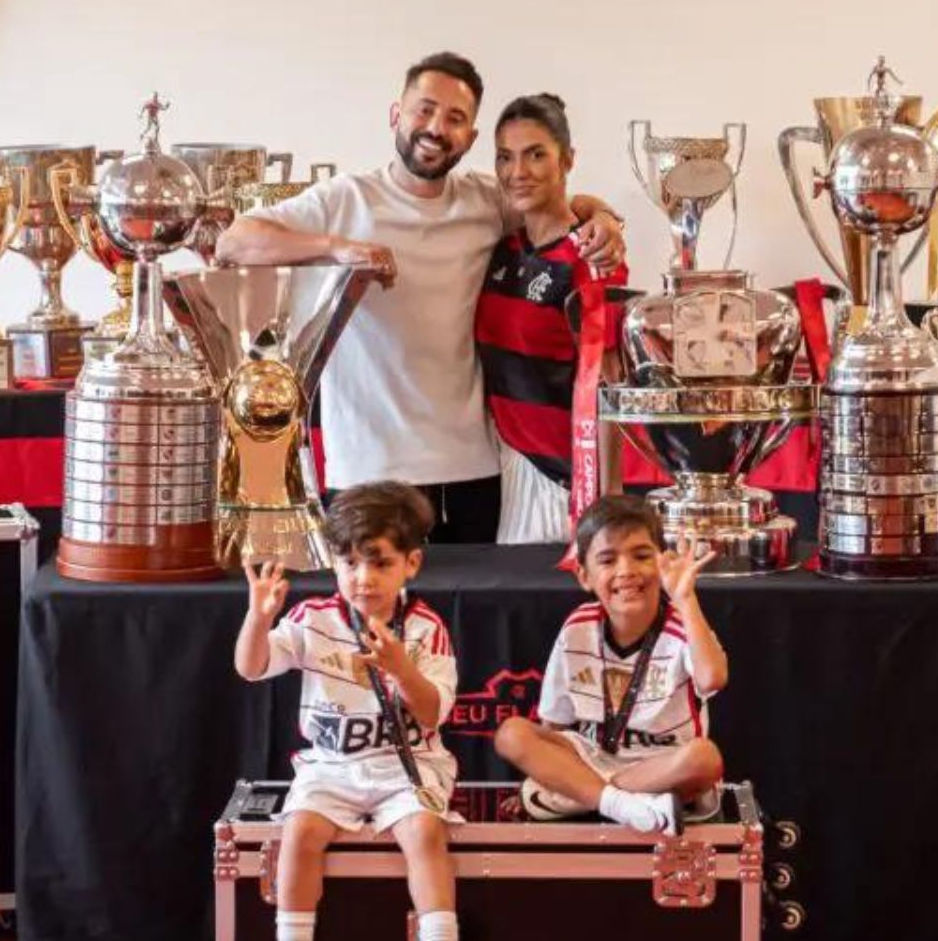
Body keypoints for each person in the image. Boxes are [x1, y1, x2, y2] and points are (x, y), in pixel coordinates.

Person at [216, 53, 626, 543]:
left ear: (470, 139)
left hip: (473, 470)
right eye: (424, 110)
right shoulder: (344, 201)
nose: (436, 128)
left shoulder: (485, 200)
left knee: (468, 619)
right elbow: (232, 243)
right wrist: (335, 249)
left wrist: (603, 217)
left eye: (455, 119)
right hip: (367, 473)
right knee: (366, 617)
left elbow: (552, 204)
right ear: (396, 114)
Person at [233, 482, 461, 941]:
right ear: (333, 561)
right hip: (332, 768)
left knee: (425, 833)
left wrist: (400, 669)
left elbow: (433, 713)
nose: (363, 578)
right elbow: (250, 667)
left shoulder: (425, 628)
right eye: (350, 563)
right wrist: (258, 619)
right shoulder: (311, 618)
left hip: (407, 767)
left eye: (380, 563)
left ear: (410, 564)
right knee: (297, 835)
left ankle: (440, 933)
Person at [494, 495, 729, 835]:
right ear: (584, 575)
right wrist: (544, 769)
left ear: (663, 562)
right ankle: (627, 805)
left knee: (705, 759)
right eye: (607, 559)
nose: (626, 571)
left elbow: (714, 678)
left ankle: (582, 796)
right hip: (591, 757)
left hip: (660, 766)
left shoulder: (682, 623)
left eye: (642, 555)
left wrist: (685, 598)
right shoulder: (577, 627)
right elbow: (553, 725)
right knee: (512, 734)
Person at [474, 93, 628, 543]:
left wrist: (607, 492)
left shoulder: (593, 257)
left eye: (536, 154)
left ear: (567, 160)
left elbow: (607, 379)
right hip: (500, 467)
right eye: (506, 157)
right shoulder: (505, 246)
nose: (518, 172)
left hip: (561, 481)